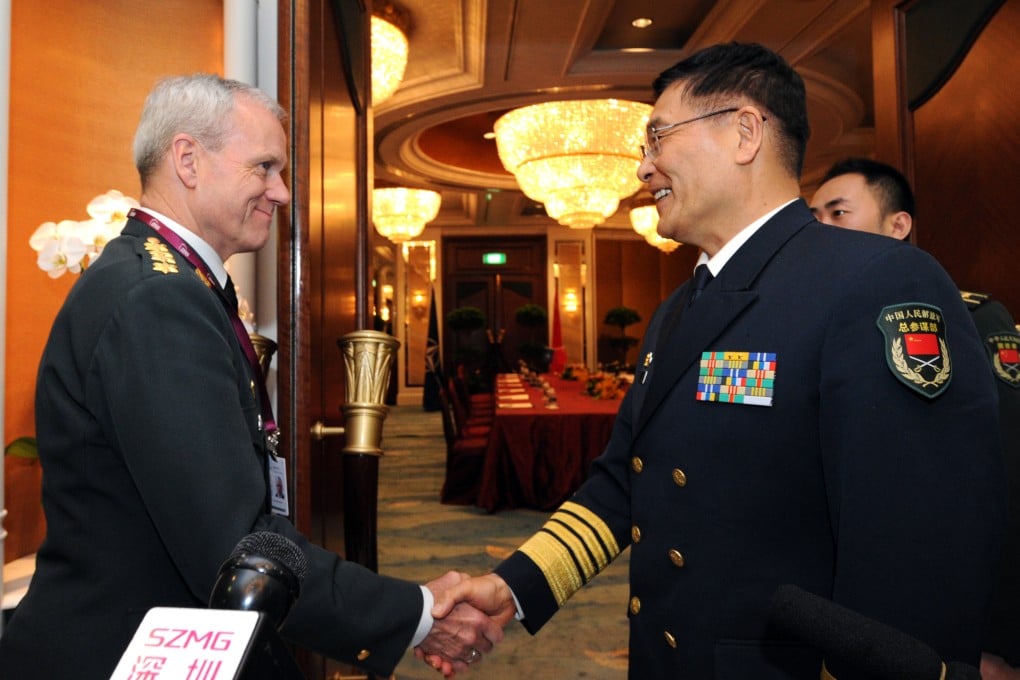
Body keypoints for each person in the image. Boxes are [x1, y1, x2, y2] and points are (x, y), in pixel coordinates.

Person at [429, 43, 1007, 679]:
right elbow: (626, 481)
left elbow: (917, 548)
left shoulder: (877, 280)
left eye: (657, 136)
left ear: (744, 131)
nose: (643, 168)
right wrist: (513, 587)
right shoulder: (678, 310)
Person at [0, 74, 498, 678]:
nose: (282, 192)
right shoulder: (159, 300)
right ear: (187, 159)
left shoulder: (161, 281)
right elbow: (237, 548)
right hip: (131, 651)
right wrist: (419, 612)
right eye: (264, 167)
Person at [811, 157, 1020, 679]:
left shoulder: (969, 317)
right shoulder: (812, 325)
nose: (820, 230)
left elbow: (1006, 474)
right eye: (812, 218)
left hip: (941, 613)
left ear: (897, 225)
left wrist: (995, 637)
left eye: (838, 213)